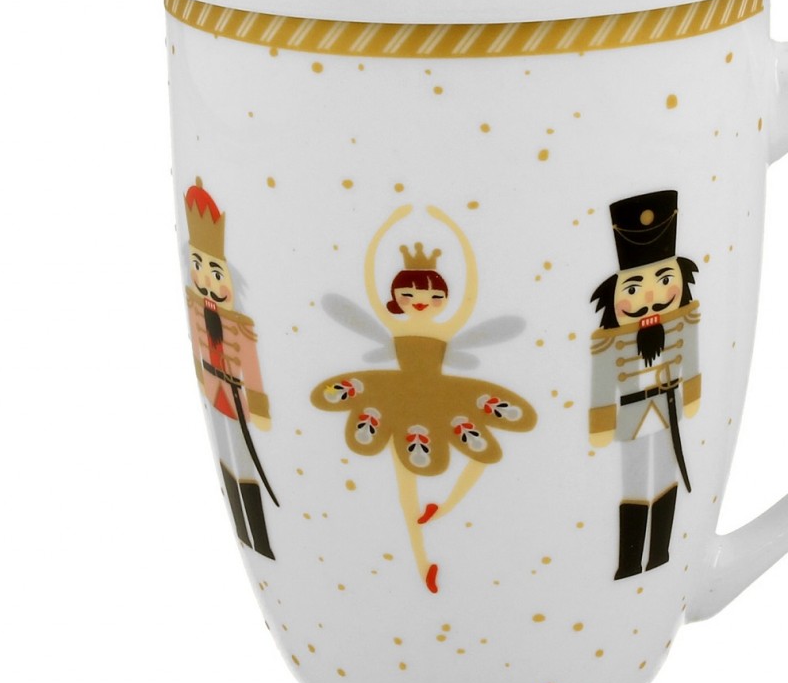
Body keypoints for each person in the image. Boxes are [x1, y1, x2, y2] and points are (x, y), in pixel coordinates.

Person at [312, 205, 532, 593]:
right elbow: (369, 285)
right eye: (409, 293)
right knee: (406, 477)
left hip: (439, 396)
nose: (419, 300)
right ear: (395, 297)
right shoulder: (393, 323)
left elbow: (471, 292)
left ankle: (443, 507)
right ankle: (421, 561)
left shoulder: (448, 326)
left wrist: (456, 232)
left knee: (485, 451)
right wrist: (383, 230)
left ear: (444, 298)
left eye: (432, 294)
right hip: (397, 397)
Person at [587, 190, 701, 580]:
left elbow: (691, 360)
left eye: (665, 280)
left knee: (666, 478)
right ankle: (628, 563)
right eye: (634, 289)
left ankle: (660, 554)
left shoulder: (683, 324)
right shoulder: (609, 342)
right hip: (633, 415)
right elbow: (603, 382)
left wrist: (692, 396)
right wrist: (601, 422)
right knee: (635, 484)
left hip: (669, 408)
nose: (651, 297)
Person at [183, 179, 275, 559]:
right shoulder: (196, 307)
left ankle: (262, 537)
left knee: (246, 463)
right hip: (214, 390)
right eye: (199, 267)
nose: (206, 280)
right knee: (227, 459)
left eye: (215, 271)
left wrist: (260, 409)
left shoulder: (240, 326)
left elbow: (250, 366)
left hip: (238, 399)